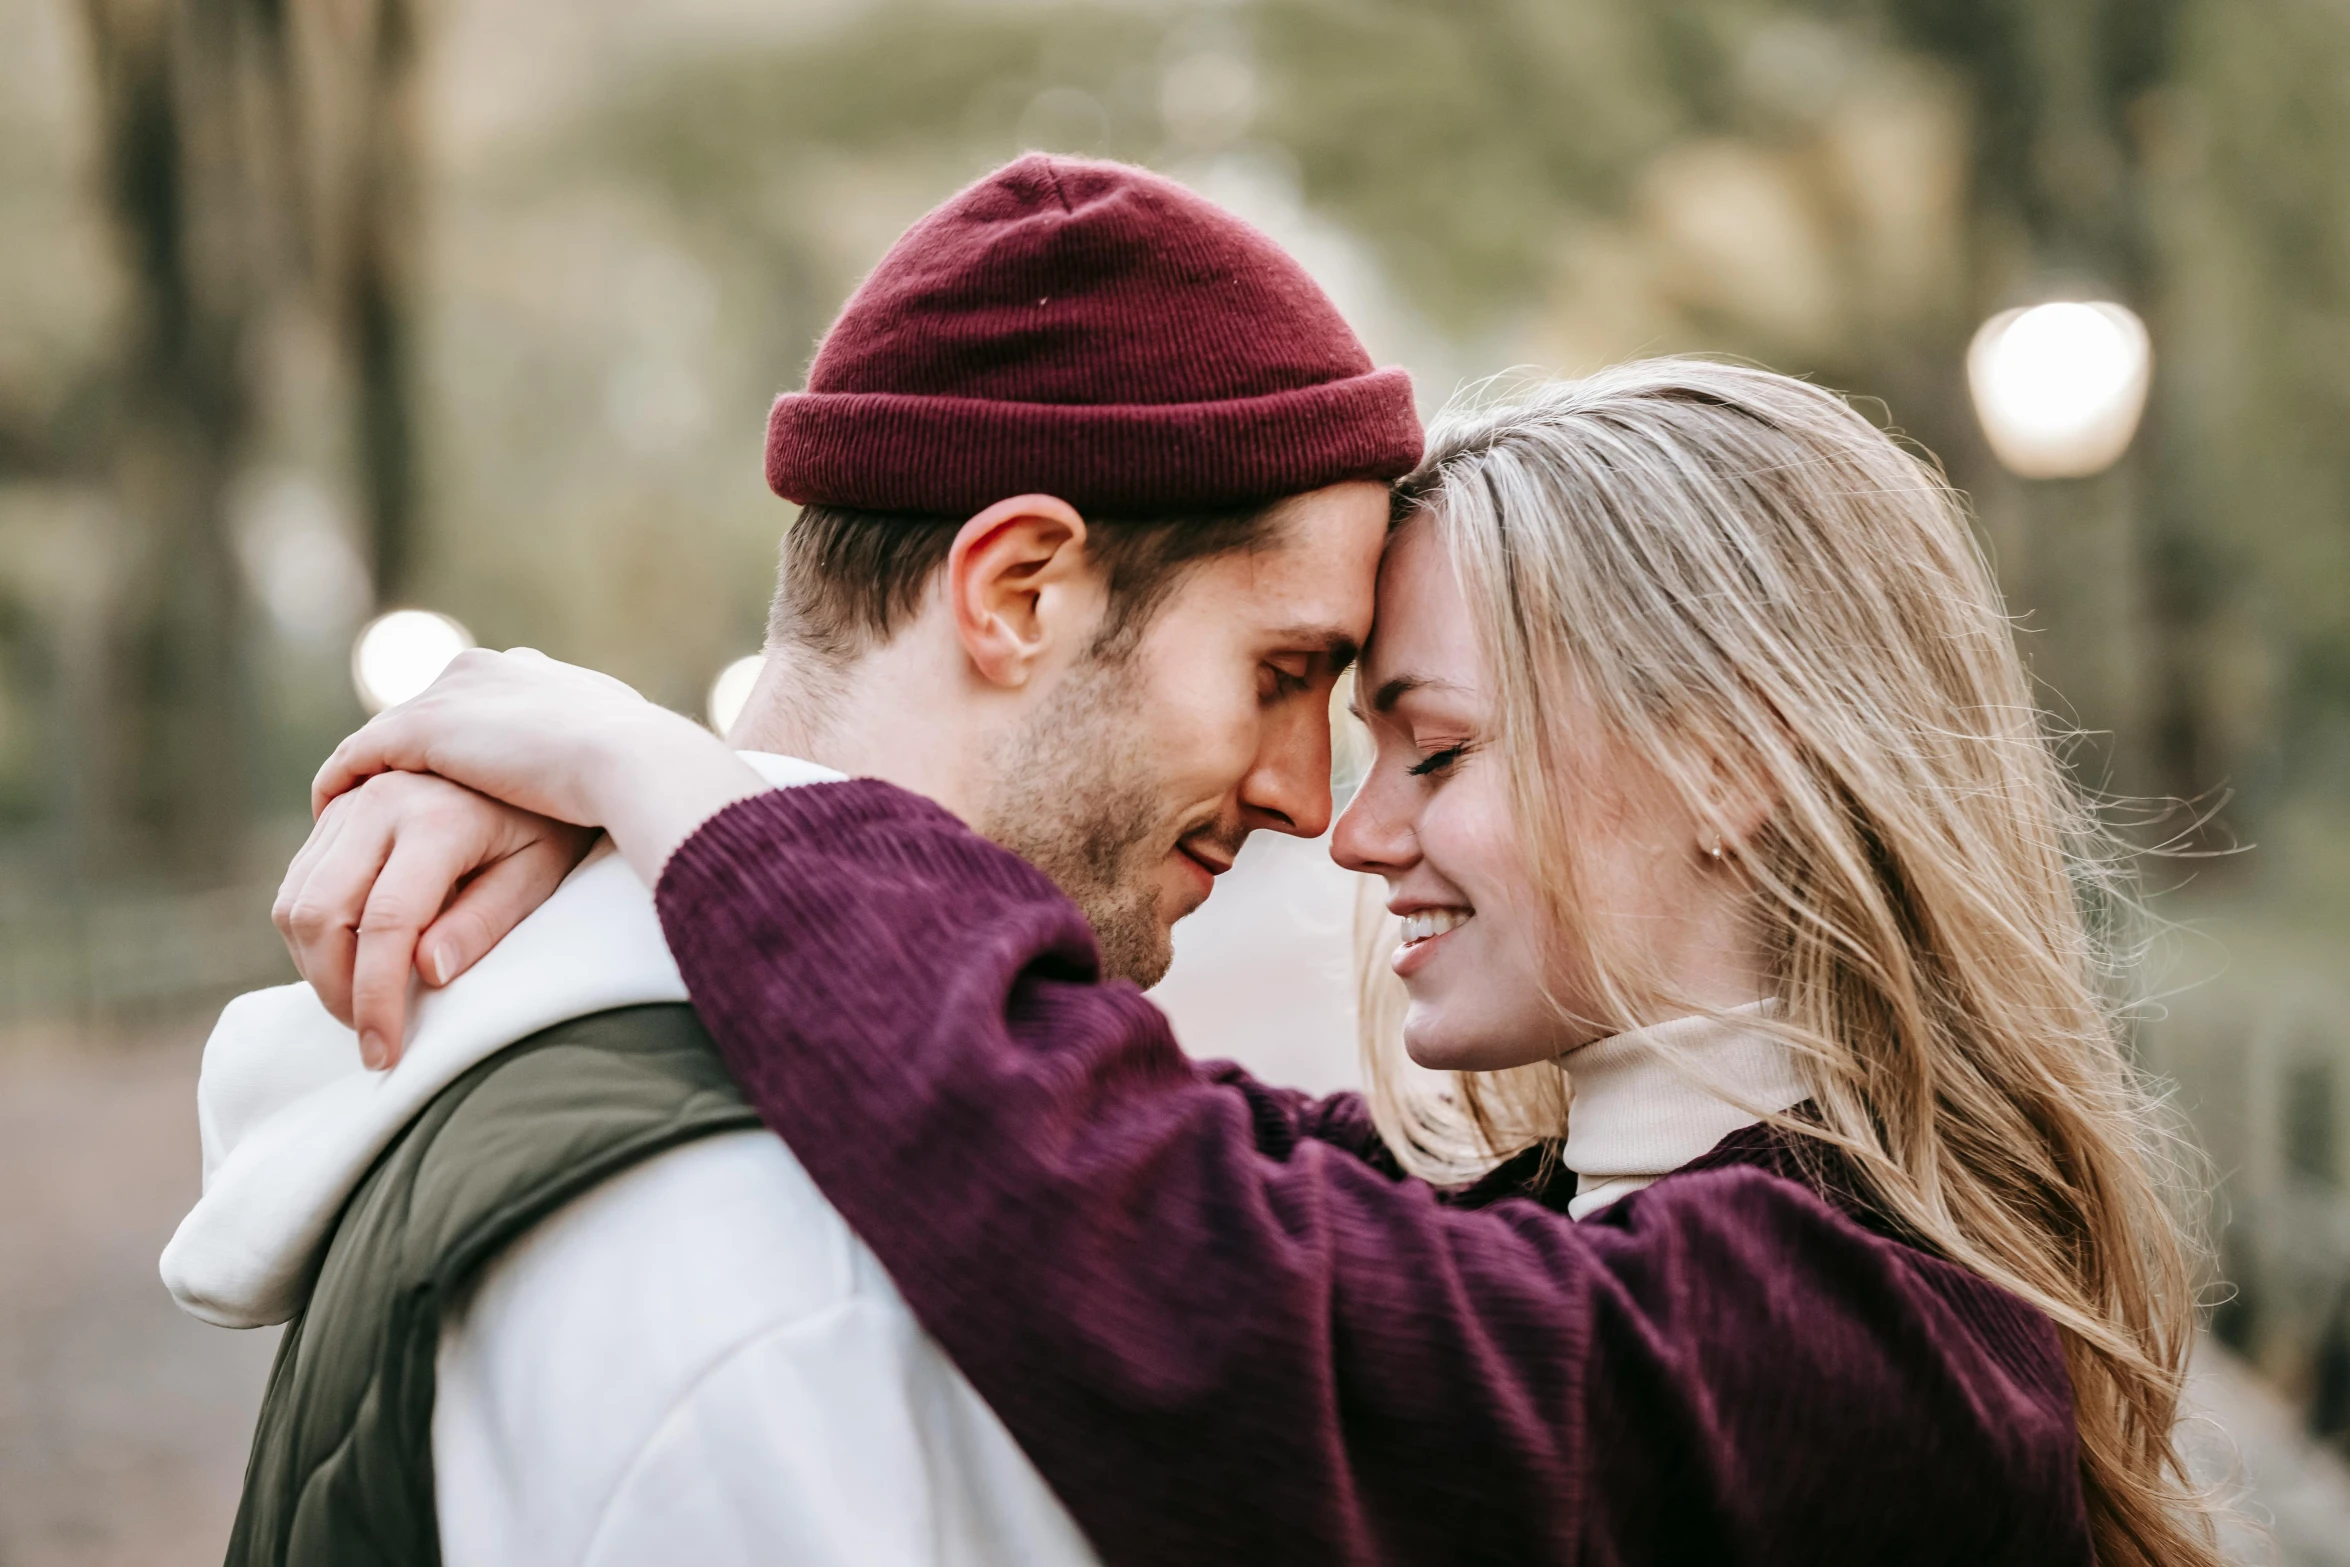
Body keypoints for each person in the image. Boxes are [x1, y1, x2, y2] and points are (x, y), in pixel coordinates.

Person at [291, 359, 2224, 1565]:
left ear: (1731, 763)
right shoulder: (1584, 1231)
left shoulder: (1874, 1345)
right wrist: (635, 821)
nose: (1353, 824)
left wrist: (671, 780)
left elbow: (1159, 1244)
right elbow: (1092, 1132)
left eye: (1434, 745)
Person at [161, 152, 1419, 1567]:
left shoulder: (647, 1091)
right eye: (1282, 668)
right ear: (1019, 593)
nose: (1309, 798)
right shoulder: (796, 1255)